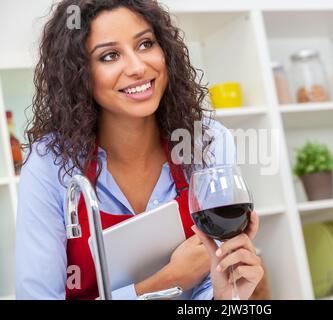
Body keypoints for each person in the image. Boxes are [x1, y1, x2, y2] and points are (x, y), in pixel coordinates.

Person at [15, 0, 263, 300]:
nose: (137, 67)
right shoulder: (49, 164)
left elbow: (212, 283)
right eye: (109, 56)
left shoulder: (207, 141)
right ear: (78, 74)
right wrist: (166, 281)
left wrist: (227, 297)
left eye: (145, 44)